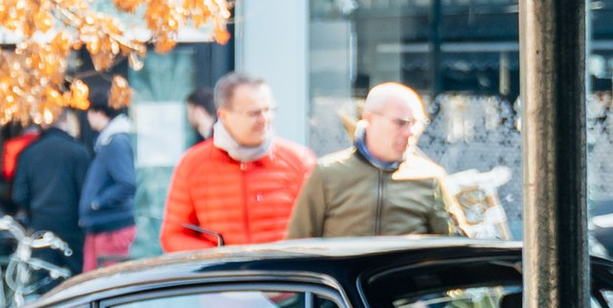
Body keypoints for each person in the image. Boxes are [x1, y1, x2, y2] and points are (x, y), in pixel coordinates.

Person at [286, 84, 464, 240]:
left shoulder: (430, 178)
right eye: (401, 123)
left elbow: (456, 248)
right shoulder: (327, 174)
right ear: (370, 119)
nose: (410, 132)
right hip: (342, 278)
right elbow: (297, 246)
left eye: (416, 123)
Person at [158, 72, 310, 250]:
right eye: (253, 113)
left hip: (287, 275)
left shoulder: (299, 161)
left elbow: (322, 232)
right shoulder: (192, 164)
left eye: (268, 110)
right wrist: (220, 259)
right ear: (224, 115)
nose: (264, 119)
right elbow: (173, 236)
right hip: (224, 276)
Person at [8, 107, 88, 263]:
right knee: (74, 279)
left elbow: (19, 195)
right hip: (72, 226)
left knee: (44, 278)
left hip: (41, 225)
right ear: (66, 121)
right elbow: (85, 192)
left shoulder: (28, 152)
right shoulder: (78, 151)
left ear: (43, 124)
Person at [78, 95, 136, 271]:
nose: (87, 118)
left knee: (108, 285)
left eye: (89, 112)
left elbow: (127, 183)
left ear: (99, 112)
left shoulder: (115, 142)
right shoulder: (108, 141)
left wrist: (98, 203)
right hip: (103, 226)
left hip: (112, 229)